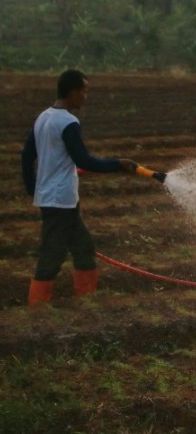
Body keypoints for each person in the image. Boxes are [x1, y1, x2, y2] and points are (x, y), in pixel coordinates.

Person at [21, 69, 138, 306]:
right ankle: (37, 307)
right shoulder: (68, 122)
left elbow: (27, 156)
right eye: (84, 92)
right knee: (52, 254)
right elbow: (84, 160)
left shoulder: (44, 117)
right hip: (60, 201)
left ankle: (86, 301)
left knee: (84, 249)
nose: (86, 96)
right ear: (73, 93)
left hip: (59, 199)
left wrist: (33, 188)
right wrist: (119, 164)